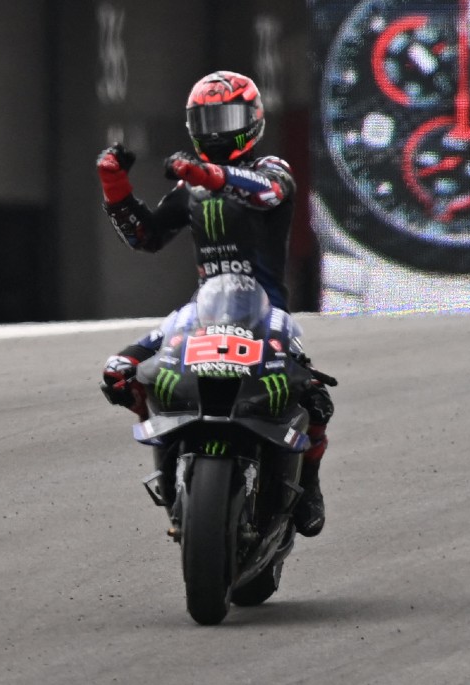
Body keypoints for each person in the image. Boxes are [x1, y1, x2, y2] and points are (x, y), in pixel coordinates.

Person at [95, 70, 332, 537]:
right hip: (205, 310)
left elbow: (266, 193)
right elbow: (146, 237)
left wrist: (208, 174)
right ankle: (169, 466)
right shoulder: (191, 187)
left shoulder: (272, 169)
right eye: (207, 120)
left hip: (266, 314)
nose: (217, 131)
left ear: (252, 120)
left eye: (227, 118)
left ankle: (309, 484)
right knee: (118, 372)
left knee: (313, 397)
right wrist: (115, 187)